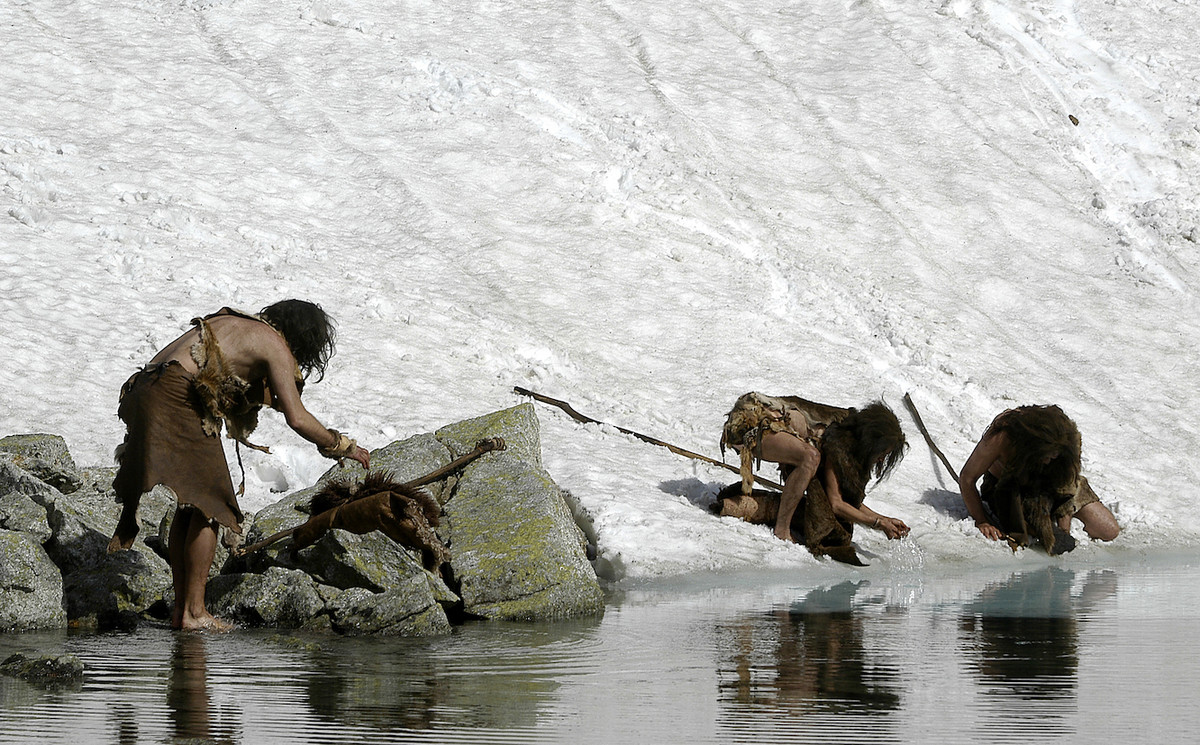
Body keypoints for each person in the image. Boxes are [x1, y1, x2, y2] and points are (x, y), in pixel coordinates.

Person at [108, 300, 370, 631]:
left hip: (145, 385)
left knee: (191, 505)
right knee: (212, 504)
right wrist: (342, 446)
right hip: (176, 391)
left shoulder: (236, 323)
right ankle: (195, 613)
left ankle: (181, 612)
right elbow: (297, 417)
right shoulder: (274, 343)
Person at [717, 392, 909, 557]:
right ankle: (782, 530)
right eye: (882, 454)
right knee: (810, 457)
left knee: (810, 456)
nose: (881, 460)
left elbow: (847, 500)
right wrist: (877, 523)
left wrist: (883, 520)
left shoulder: (848, 441)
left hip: (764, 419)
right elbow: (836, 503)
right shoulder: (840, 442)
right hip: (750, 421)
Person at [958, 404, 1119, 555]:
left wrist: (1064, 529)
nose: (1050, 460)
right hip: (1009, 490)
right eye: (1047, 456)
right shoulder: (1003, 436)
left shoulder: (1067, 441)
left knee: (1108, 530)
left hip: (1051, 487)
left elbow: (1067, 486)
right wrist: (982, 521)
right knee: (1026, 533)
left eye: (1054, 456)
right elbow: (967, 478)